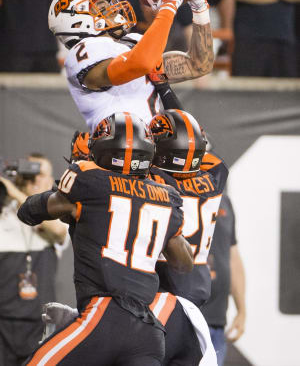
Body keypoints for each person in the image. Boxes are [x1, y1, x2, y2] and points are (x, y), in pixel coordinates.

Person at [17, 112, 194, 366]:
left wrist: (70, 208)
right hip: (149, 334)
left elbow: (28, 211)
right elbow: (184, 263)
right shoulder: (167, 196)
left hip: (103, 317)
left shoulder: (89, 180)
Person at [48, 0, 214, 133]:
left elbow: (198, 65)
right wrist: (170, 4)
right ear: (77, 22)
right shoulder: (82, 52)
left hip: (154, 146)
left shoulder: (133, 41)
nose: (114, 9)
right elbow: (138, 63)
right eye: (102, 8)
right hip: (119, 151)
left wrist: (199, 7)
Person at [148, 109, 229, 365]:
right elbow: (196, 147)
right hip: (197, 284)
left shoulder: (154, 182)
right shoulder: (215, 176)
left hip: (166, 282)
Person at [0, 154, 67, 366]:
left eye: (43, 174)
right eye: (33, 173)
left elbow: (59, 233)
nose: (40, 180)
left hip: (39, 324)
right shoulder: (5, 212)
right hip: (4, 322)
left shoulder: (56, 218)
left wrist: (17, 193)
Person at [202, 194, 246, 366]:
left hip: (218, 321)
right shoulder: (176, 190)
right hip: (187, 318)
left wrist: (241, 310)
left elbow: (232, 256)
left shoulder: (224, 200)